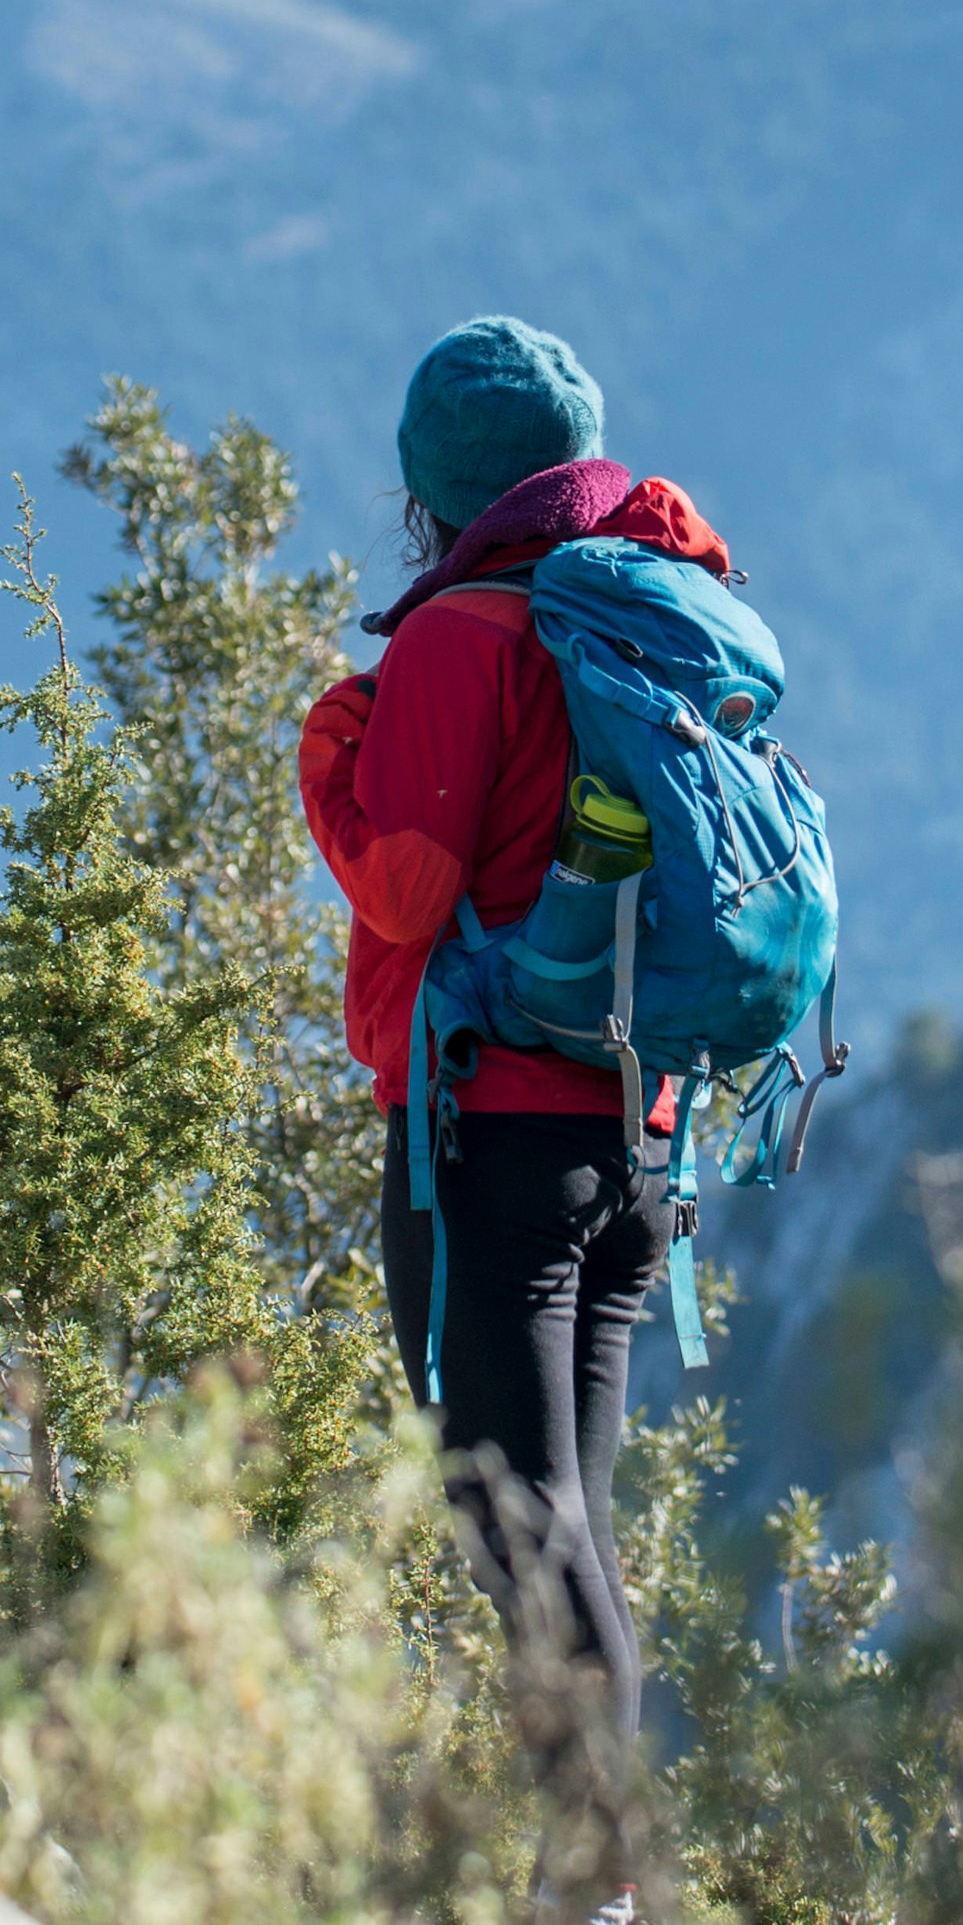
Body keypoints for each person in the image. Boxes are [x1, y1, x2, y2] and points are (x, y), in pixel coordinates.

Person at [297, 312, 735, 1733]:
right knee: (574, 1522)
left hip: (489, 1137)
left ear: (430, 491)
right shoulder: (650, 615)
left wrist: (330, 760)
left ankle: (604, 1910)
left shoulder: (466, 633)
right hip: (636, 1143)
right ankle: (604, 1897)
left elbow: (409, 885)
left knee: (516, 1518)